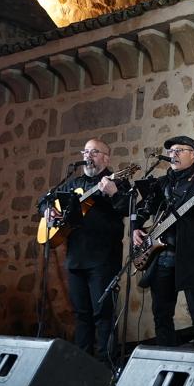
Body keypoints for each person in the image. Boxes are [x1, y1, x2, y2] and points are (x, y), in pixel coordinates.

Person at [133, 136, 194, 351]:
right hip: (161, 257)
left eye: (179, 150)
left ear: (192, 154)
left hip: (192, 257)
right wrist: (135, 229)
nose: (173, 154)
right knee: (162, 314)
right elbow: (139, 212)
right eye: (171, 151)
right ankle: (165, 358)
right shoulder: (161, 183)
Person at [40, 138, 130, 364]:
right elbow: (44, 201)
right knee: (81, 316)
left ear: (106, 158)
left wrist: (113, 192)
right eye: (86, 151)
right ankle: (81, 365)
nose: (88, 155)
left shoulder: (118, 181)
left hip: (103, 259)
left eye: (95, 152)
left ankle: (104, 369)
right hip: (76, 258)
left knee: (103, 315)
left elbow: (127, 208)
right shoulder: (74, 183)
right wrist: (48, 211)